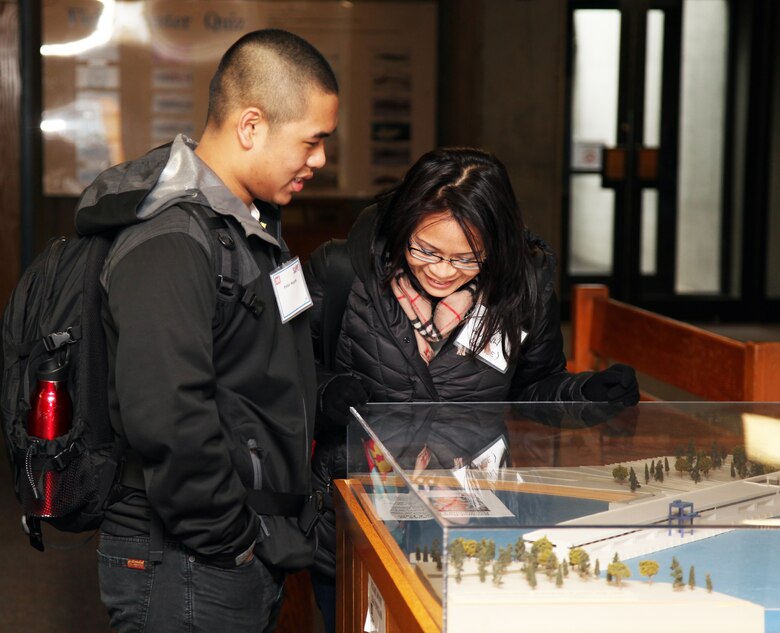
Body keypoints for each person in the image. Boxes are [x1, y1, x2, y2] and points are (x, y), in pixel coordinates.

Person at [303, 147, 639, 632]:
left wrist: (587, 395)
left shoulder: (523, 284)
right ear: (403, 227)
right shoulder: (342, 272)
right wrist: (327, 393)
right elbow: (286, 375)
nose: (441, 271)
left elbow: (533, 387)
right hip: (357, 520)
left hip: (475, 519)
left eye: (467, 258)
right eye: (425, 250)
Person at [73, 29, 338, 633]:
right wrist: (237, 540)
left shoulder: (249, 221)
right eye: (312, 140)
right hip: (187, 560)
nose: (320, 159)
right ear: (251, 126)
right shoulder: (170, 240)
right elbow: (166, 415)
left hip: (227, 553)